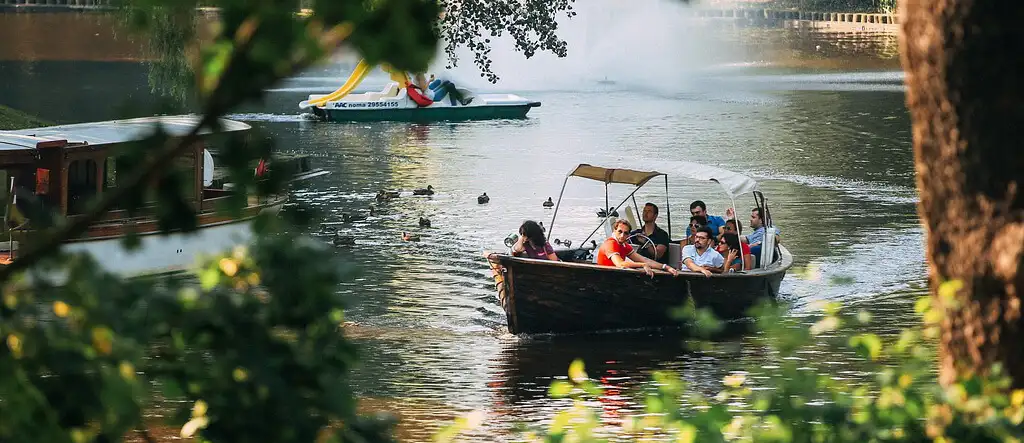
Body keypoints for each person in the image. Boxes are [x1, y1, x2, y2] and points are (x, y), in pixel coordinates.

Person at [597, 219, 679, 277]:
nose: (622, 236)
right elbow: (620, 264)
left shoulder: (624, 245)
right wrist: (643, 265)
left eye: (625, 233)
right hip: (602, 277)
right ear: (614, 231)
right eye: (620, 231)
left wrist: (666, 267)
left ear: (629, 235)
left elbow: (645, 260)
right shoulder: (610, 243)